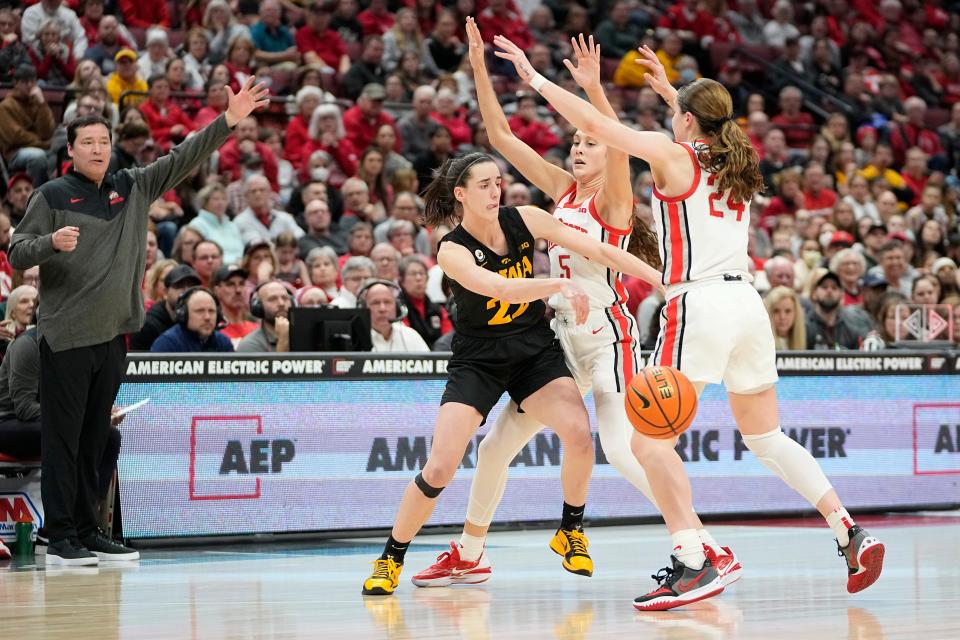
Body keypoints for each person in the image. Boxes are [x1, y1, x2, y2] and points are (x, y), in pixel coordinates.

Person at [495, 35, 886, 607]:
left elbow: (603, 131)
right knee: (767, 436)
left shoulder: (674, 155)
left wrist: (535, 79)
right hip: (747, 306)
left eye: (674, 112)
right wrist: (673, 91)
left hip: (696, 303)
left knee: (648, 441)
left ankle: (692, 560)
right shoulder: (735, 158)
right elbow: (703, 119)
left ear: (683, 122)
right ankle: (849, 530)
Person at [411, 26, 670, 590]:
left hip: (605, 341)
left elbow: (619, 139)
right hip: (555, 344)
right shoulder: (562, 193)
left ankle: (698, 543)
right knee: (494, 450)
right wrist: (481, 67)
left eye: (590, 141)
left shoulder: (614, 199)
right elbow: (500, 135)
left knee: (622, 450)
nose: (579, 147)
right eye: (575, 140)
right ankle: (469, 552)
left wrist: (596, 94)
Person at [360, 146, 665, 596]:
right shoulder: (452, 249)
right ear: (460, 194)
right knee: (442, 466)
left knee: (579, 433)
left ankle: (570, 529)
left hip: (531, 353)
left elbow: (600, 249)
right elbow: (498, 287)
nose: (495, 190)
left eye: (497, 182)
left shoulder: (525, 218)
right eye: (484, 185)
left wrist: (666, 282)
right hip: (478, 360)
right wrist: (557, 283)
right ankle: (391, 557)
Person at [8, 76, 270, 566]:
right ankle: (58, 536)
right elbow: (16, 250)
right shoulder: (50, 195)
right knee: (62, 441)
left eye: (104, 142)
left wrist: (229, 120)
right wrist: (50, 245)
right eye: (88, 142)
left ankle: (89, 530)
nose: (98, 149)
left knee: (95, 438)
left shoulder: (131, 185)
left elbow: (183, 157)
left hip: (113, 337)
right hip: (64, 336)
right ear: (70, 149)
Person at [0, 65, 55, 188]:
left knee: (60, 154)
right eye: (25, 82)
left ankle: (51, 197)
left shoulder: (37, 102)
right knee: (37, 156)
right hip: (14, 153)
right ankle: (32, 199)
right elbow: (15, 137)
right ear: (16, 83)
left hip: (40, 146)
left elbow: (47, 132)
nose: (30, 85)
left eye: (32, 81)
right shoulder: (5, 106)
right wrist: (43, 143)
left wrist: (42, 103)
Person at [129, 265, 201, 351]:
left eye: (192, 286)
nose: (186, 290)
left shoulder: (203, 321)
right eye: (179, 286)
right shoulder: (148, 326)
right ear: (166, 292)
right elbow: (137, 362)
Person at [151, 287, 234, 353]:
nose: (207, 317)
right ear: (184, 314)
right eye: (200, 311)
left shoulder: (223, 342)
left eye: (211, 311)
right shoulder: (167, 344)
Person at [359, 278, 429, 352]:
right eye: (375, 303)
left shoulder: (411, 336)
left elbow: (430, 363)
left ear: (397, 307)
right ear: (363, 308)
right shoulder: (355, 340)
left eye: (387, 302)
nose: (382, 309)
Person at [211, 264, 260, 347]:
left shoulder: (257, 328)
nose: (238, 290)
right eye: (230, 284)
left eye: (242, 284)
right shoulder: (211, 330)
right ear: (217, 290)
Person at [237, 281, 293, 352]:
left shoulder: (306, 337)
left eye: (285, 298)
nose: (281, 303)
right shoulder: (250, 344)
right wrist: (283, 341)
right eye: (272, 299)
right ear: (258, 307)